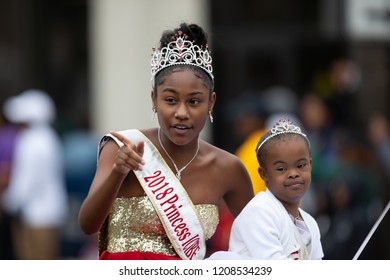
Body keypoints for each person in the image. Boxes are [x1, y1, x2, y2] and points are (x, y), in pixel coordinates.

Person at [78, 22, 254, 260]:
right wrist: (118, 173)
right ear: (154, 99)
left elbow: (259, 240)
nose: (181, 112)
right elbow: (88, 225)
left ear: (211, 103)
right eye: (171, 100)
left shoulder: (228, 168)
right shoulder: (123, 147)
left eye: (194, 102)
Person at [208, 117, 324, 260]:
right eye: (281, 169)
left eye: (301, 165)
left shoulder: (310, 222)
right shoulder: (259, 213)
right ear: (264, 174)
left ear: (310, 165)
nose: (293, 174)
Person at [2, 89, 69, 259]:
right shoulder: (47, 137)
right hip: (45, 212)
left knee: (36, 261)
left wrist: (9, 203)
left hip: (37, 216)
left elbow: (27, 180)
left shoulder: (33, 141)